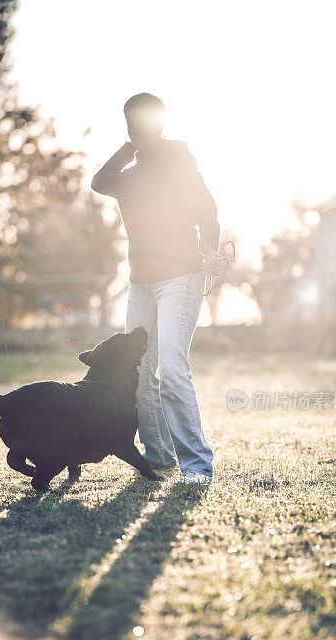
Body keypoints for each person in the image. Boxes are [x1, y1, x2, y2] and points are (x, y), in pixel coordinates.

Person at [90, 92, 219, 484]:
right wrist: (130, 147)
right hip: (139, 285)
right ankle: (159, 455)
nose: (136, 129)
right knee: (141, 372)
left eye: (142, 123)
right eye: (129, 124)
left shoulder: (178, 160)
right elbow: (99, 181)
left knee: (173, 367)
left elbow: (207, 211)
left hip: (179, 279)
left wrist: (209, 254)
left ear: (159, 122)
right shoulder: (126, 178)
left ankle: (196, 465)